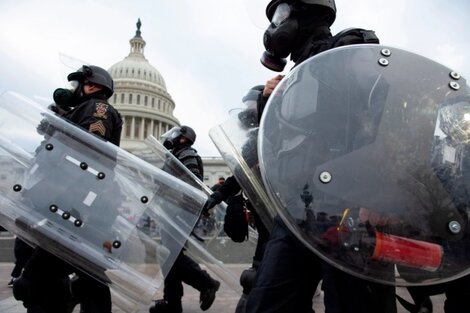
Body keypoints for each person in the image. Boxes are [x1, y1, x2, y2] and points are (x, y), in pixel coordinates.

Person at [242, 1, 397, 313]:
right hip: (298, 211)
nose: (275, 25)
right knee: (266, 304)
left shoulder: (350, 50)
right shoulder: (293, 81)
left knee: (355, 306)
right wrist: (269, 105)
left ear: (307, 11)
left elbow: (387, 120)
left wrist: (376, 196)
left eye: (280, 14)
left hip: (348, 209)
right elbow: (275, 148)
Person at [13, 65, 123, 313]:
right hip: (65, 200)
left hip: (68, 202)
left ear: (92, 86)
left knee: (36, 282)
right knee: (61, 280)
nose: (73, 91)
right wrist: (58, 127)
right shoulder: (83, 110)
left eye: (78, 85)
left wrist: (49, 195)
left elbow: (86, 156)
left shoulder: (98, 108)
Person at [203, 85, 271, 313]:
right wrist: (219, 194)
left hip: (287, 220)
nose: (246, 112)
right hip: (266, 220)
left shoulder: (282, 136)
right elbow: (241, 174)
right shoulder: (254, 141)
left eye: (251, 106)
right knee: (255, 278)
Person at [149, 125, 220, 313]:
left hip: (179, 212)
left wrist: (178, 205)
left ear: (182, 137)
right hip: (172, 211)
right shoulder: (176, 155)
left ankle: (206, 283)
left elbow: (192, 184)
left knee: (171, 256)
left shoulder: (187, 154)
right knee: (169, 257)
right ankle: (172, 302)